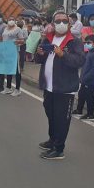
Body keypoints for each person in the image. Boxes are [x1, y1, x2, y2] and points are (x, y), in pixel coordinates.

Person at [35, 11, 85, 160]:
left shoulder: (74, 42)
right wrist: (40, 54)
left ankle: (59, 149)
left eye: (65, 21)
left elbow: (79, 61)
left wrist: (63, 55)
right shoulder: (48, 39)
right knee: (51, 115)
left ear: (69, 24)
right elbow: (38, 59)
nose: (61, 24)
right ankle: (52, 140)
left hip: (65, 88)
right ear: (52, 24)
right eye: (58, 21)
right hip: (49, 87)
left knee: (62, 119)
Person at [72, 35, 94, 120]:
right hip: (85, 79)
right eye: (85, 42)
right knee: (81, 94)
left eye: (88, 43)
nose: (86, 44)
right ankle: (79, 110)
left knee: (89, 96)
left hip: (91, 80)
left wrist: (86, 78)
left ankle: (90, 114)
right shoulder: (90, 52)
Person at [0, 16, 26, 97]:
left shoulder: (18, 29)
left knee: (16, 70)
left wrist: (16, 41)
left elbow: (22, 41)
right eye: (9, 19)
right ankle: (8, 87)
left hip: (14, 51)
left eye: (12, 19)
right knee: (8, 69)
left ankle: (17, 89)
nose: (11, 21)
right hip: (6, 51)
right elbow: (3, 38)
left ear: (15, 21)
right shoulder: (6, 29)